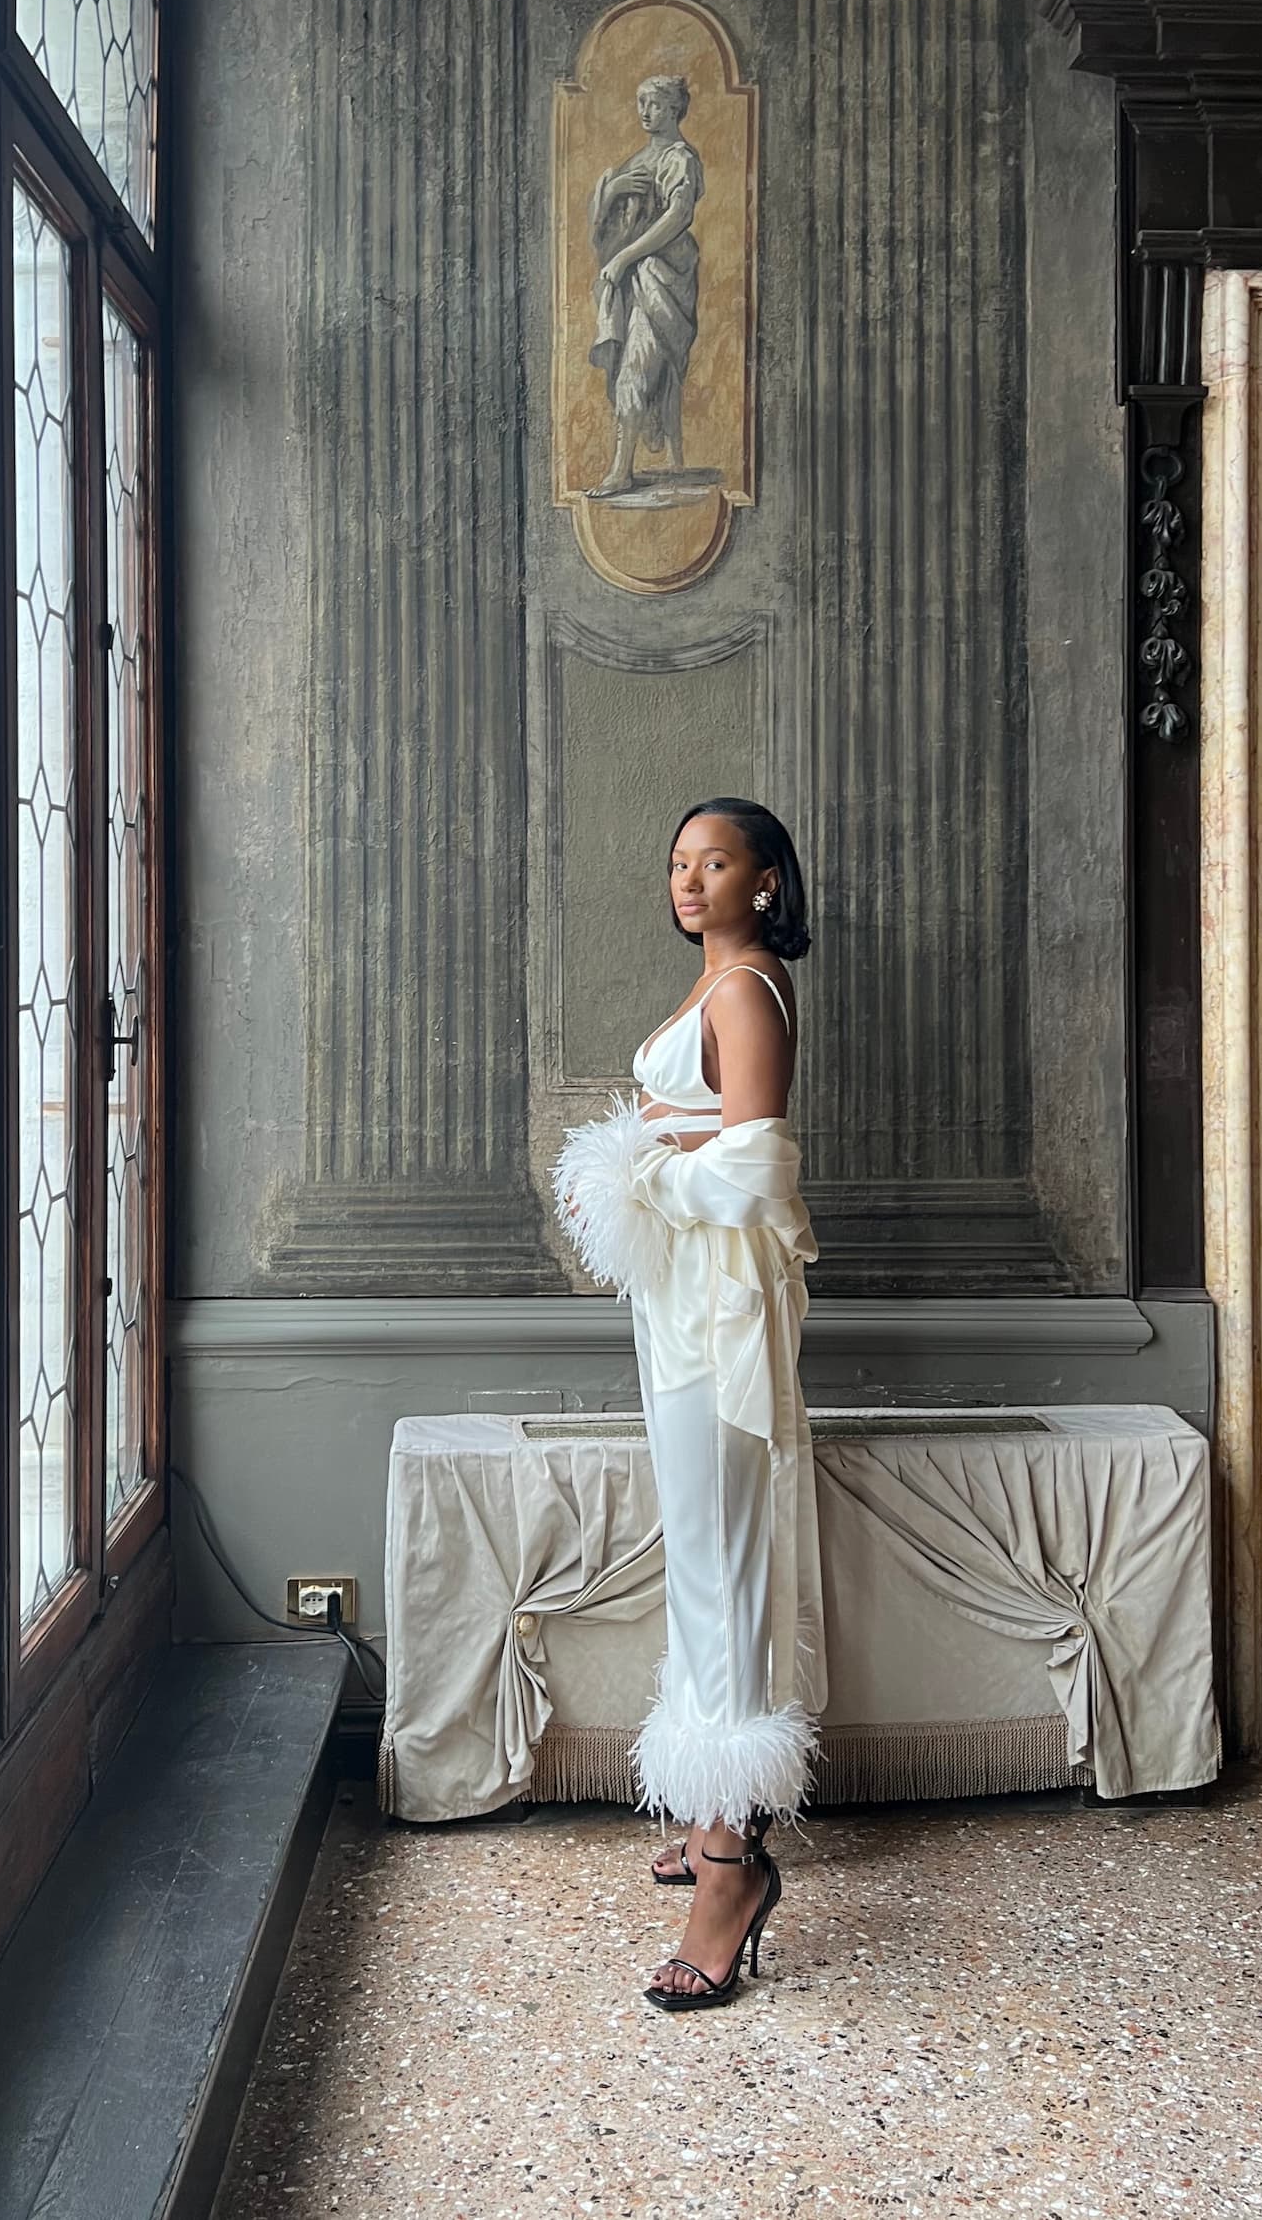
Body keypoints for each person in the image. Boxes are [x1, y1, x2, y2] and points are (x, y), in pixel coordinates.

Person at [552, 799, 824, 2010]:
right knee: (701, 1556)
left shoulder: (746, 988)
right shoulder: (713, 985)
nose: (688, 879)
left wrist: (640, 1174)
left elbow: (757, 1164)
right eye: (676, 861)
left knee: (721, 1564)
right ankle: (710, 1801)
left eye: (714, 862)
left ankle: (730, 1865)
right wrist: (649, 1155)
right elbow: (697, 1128)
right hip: (683, 1303)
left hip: (719, 1310)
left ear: (763, 881)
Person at [585, 75, 703, 497]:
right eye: (641, 103)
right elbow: (600, 226)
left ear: (674, 109)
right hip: (630, 281)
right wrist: (610, 192)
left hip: (661, 278)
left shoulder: (679, 158)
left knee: (638, 365)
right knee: (628, 364)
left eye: (654, 104)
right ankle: (630, 465)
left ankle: (621, 470)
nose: (645, 112)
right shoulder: (638, 159)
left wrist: (624, 258)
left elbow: (678, 217)